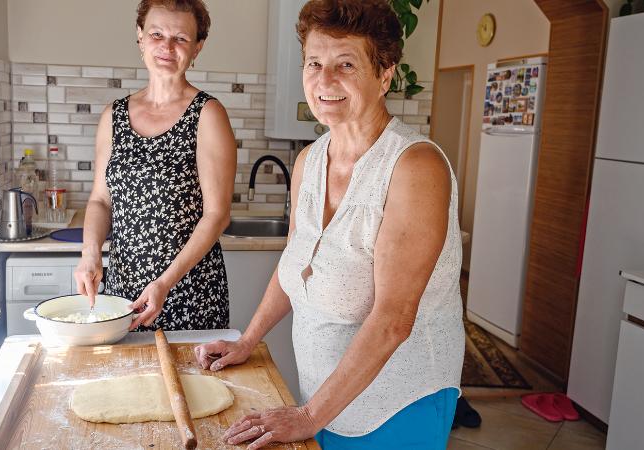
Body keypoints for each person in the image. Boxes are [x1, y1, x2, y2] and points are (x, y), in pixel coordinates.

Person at [194, 0, 464, 448]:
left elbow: (395, 319)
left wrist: (307, 417)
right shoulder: (310, 160)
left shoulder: (414, 166)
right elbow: (297, 261)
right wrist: (248, 340)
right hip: (324, 396)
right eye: (314, 63)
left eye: (345, 64)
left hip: (397, 406)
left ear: (384, 75)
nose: (324, 80)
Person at [74, 0, 236, 332]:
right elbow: (100, 201)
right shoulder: (113, 116)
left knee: (192, 384)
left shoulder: (208, 114)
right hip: (124, 292)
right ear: (140, 37)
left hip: (189, 293)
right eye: (157, 34)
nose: (166, 46)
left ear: (197, 48)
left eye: (180, 38)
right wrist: (90, 254)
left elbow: (217, 214)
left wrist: (165, 283)